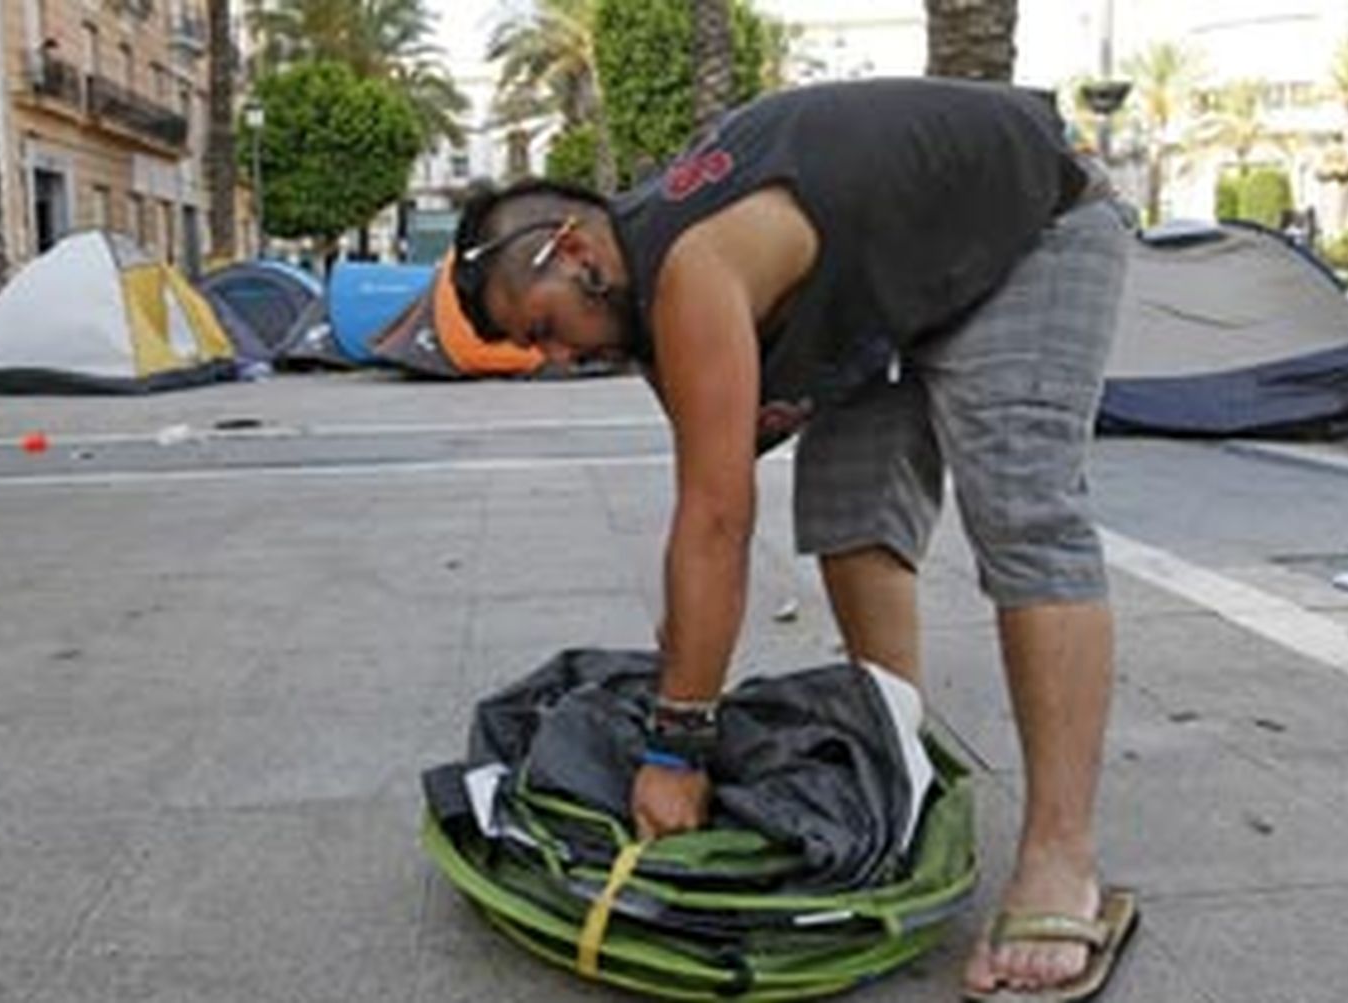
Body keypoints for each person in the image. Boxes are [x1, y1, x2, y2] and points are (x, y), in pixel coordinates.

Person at [450, 77, 1137, 1001]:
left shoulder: (691, 270)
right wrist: (675, 678)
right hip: (892, 285)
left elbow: (716, 525)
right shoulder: (651, 301)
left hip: (1031, 228)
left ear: (575, 252)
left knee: (1021, 503)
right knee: (849, 513)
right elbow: (709, 494)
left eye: (545, 330)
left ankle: (1063, 860)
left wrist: (675, 747)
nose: (560, 359)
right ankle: (900, 774)